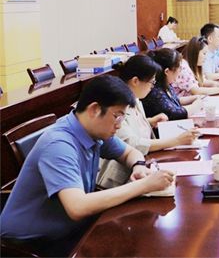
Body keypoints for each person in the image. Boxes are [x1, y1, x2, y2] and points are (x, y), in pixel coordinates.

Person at [0, 75, 174, 256]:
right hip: (30, 244)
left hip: (70, 227)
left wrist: (139, 166)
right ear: (94, 109)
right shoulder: (59, 144)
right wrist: (143, 185)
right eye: (117, 116)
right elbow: (78, 207)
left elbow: (130, 153)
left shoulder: (92, 129)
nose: (119, 125)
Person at [97, 55, 199, 189]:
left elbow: (132, 129)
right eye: (151, 82)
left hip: (142, 168)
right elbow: (134, 143)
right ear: (135, 81)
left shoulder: (136, 99)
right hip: (120, 180)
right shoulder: (118, 106)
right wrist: (177, 140)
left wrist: (149, 122)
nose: (153, 87)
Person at [141, 48, 203, 120]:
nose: (180, 71)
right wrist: (197, 105)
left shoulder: (164, 83)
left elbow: (174, 100)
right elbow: (176, 114)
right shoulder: (155, 91)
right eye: (179, 68)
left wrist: (195, 98)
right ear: (167, 71)